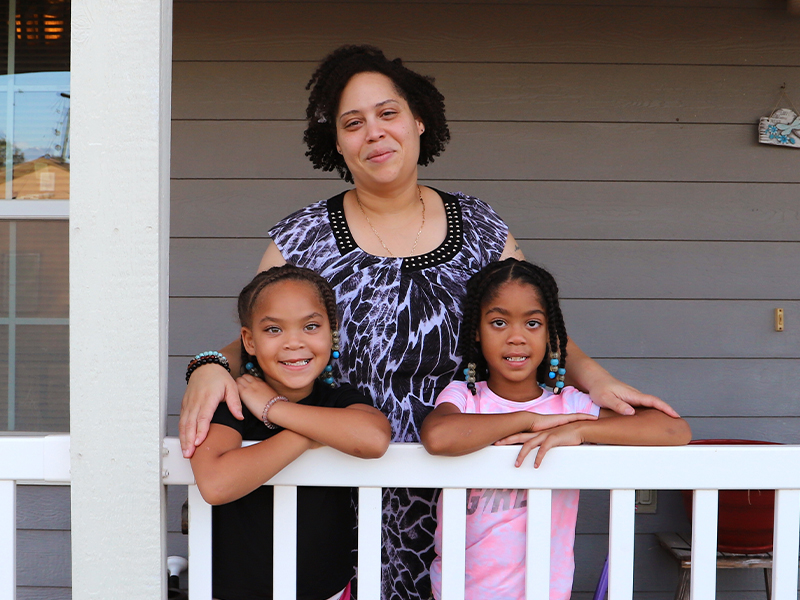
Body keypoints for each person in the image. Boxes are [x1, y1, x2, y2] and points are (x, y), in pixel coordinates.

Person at [179, 45, 679, 600]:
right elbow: (261, 337)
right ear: (337, 142)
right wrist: (205, 366)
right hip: (334, 477)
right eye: (353, 122)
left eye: (388, 113)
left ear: (418, 120)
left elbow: (526, 322)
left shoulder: (482, 227)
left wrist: (596, 379)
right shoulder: (301, 236)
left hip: (457, 489)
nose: (374, 133)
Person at [420, 259, 692, 600]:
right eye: (499, 322)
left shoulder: (569, 406)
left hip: (545, 591)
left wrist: (578, 431)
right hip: (460, 592)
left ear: (551, 335)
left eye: (532, 323)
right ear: (476, 330)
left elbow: (673, 430)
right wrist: (529, 421)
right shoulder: (466, 397)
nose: (516, 337)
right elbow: (438, 435)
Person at [190, 265, 392, 600]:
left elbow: (373, 438)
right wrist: (314, 433)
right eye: (273, 330)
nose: (294, 342)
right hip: (233, 593)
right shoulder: (233, 402)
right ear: (249, 341)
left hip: (327, 590)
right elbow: (215, 483)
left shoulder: (337, 397)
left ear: (332, 332)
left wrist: (276, 409)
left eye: (311, 326)